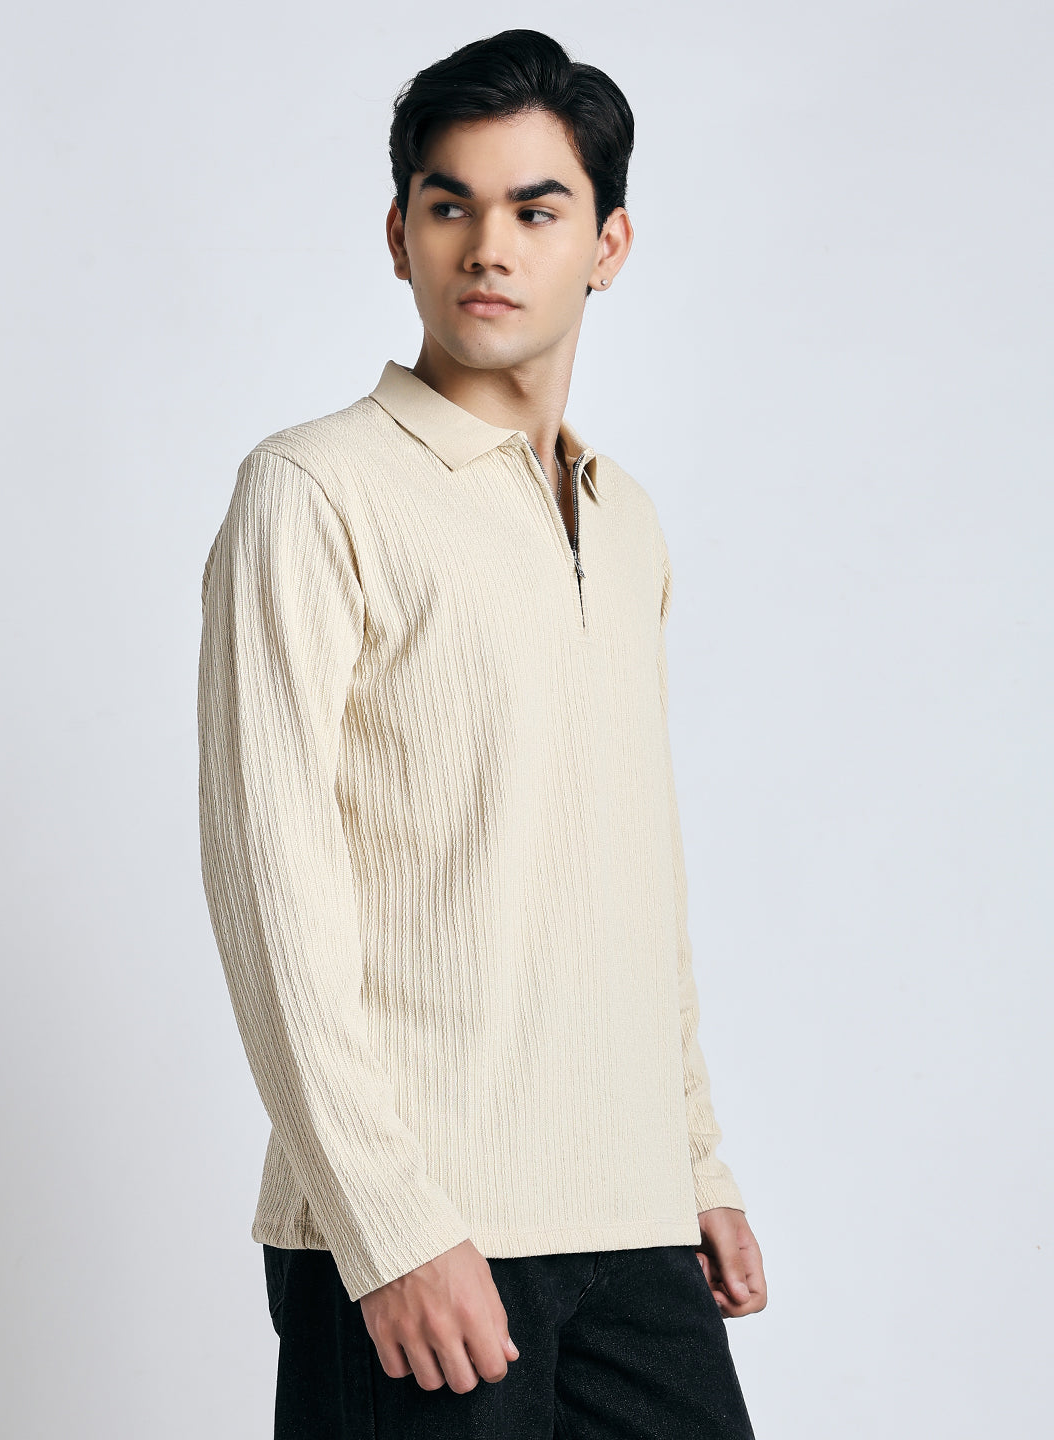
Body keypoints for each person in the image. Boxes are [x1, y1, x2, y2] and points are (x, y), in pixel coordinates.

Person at [197, 26, 767, 1439]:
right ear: (399, 236)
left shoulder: (624, 520)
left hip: (632, 1220)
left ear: (608, 244)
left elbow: (632, 866)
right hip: (419, 1228)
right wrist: (388, 1221)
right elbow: (271, 893)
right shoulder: (312, 491)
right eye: (449, 204)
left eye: (536, 208)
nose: (488, 247)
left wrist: (692, 1156)